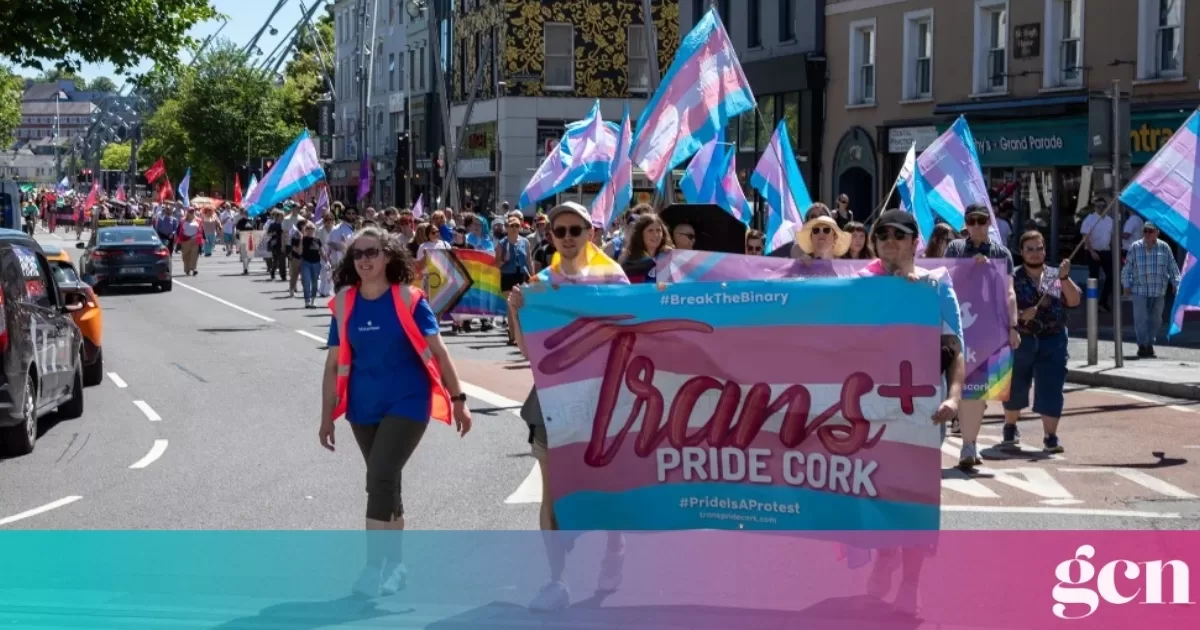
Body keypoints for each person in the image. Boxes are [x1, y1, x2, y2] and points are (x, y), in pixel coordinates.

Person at [319, 226, 472, 597]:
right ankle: (397, 566)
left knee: (380, 476)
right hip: (361, 406)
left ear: (388, 255)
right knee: (388, 483)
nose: (364, 260)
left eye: (371, 252)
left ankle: (373, 570)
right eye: (357, 254)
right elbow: (332, 363)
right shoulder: (343, 303)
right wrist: (327, 415)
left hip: (408, 401)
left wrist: (459, 399)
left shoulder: (409, 299)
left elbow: (439, 352)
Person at [508, 202, 629, 611]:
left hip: (604, 401)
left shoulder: (614, 277)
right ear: (551, 236)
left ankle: (615, 547)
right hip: (553, 403)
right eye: (560, 231)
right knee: (553, 494)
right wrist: (515, 311)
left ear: (590, 233)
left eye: (576, 230)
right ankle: (556, 579)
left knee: (610, 485)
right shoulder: (540, 285)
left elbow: (637, 331)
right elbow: (529, 350)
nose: (568, 238)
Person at [859, 209, 964, 615]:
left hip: (921, 412)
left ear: (915, 242)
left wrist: (954, 398)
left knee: (914, 501)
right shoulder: (859, 286)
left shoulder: (936, 285)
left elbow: (955, 348)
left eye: (898, 234)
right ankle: (885, 556)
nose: (888, 240)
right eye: (881, 233)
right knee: (879, 495)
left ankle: (910, 581)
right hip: (871, 412)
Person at [941, 204, 1019, 469]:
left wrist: (1013, 326)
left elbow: (1009, 291)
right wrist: (968, 268)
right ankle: (967, 444)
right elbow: (946, 279)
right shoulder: (955, 249)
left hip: (990, 326)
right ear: (965, 224)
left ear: (989, 223)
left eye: (982, 221)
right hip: (959, 324)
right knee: (961, 382)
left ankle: (969, 443)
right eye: (972, 221)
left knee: (980, 386)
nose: (977, 225)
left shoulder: (1001, 253)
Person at [1005, 231, 1081, 453]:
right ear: (1022, 252)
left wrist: (1065, 278)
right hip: (1022, 339)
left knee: (1052, 387)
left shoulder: (1054, 275)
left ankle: (1050, 436)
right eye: (1030, 249)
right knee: (1016, 384)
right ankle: (1010, 426)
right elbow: (1001, 308)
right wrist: (1020, 315)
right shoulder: (1013, 277)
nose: (1035, 253)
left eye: (1039, 248)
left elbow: (1074, 300)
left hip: (1053, 340)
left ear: (1045, 250)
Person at [1121, 222, 1181, 358]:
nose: (1147, 234)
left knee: (1156, 320)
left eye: (1150, 231)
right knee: (1141, 319)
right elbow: (1127, 269)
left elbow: (1172, 267)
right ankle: (1142, 345)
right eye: (1145, 231)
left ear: (1157, 233)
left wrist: (1176, 283)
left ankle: (1149, 342)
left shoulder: (1164, 247)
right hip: (1139, 290)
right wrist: (1126, 285)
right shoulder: (1135, 247)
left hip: (1158, 290)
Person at [1080, 198, 1115, 312]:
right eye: (1098, 206)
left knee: (1111, 277)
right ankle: (1092, 303)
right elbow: (1085, 236)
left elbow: (1112, 236)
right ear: (1094, 207)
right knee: (1093, 278)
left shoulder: (1110, 220)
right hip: (1093, 251)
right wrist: (1092, 251)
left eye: (1103, 206)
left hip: (1106, 251)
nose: (1101, 208)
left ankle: (1103, 302)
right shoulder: (1089, 219)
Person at [298, 222, 325, 308]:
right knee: (306, 281)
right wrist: (301, 241)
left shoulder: (317, 240)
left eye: (312, 228)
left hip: (316, 263)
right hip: (306, 262)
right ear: (305, 230)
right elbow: (299, 252)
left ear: (314, 230)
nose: (310, 230)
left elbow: (322, 251)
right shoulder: (303, 239)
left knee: (314, 282)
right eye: (308, 228)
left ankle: (313, 300)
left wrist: (327, 260)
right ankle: (307, 301)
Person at [176, 208, 205, 276]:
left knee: (194, 254)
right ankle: (187, 269)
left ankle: (193, 268)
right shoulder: (183, 220)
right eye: (190, 211)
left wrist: (203, 239)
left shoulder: (198, 220)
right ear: (187, 212)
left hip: (195, 240)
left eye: (193, 211)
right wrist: (178, 240)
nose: (192, 213)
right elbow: (178, 231)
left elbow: (201, 230)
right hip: (185, 240)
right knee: (185, 256)